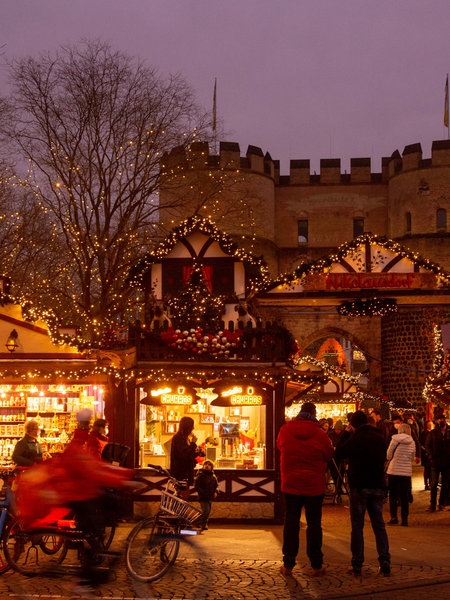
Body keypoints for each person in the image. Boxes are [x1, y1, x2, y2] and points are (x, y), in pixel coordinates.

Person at [276, 401, 334, 577]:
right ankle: (316, 564)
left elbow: (279, 447)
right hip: (313, 485)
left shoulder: (285, 430)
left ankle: (288, 564)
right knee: (314, 524)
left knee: (291, 523)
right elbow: (329, 454)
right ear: (314, 414)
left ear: (300, 413)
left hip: (291, 483)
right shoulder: (320, 434)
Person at [335, 410, 391, 576]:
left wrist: (346, 433)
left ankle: (357, 562)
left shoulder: (355, 439)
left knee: (357, 526)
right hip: (377, 485)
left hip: (359, 486)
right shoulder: (379, 438)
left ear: (353, 424)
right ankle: (385, 560)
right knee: (379, 525)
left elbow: (338, 452)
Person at [386, 423, 417, 526]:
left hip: (394, 470)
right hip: (406, 472)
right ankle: (404, 519)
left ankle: (394, 517)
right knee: (404, 497)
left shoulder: (394, 439)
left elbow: (389, 454)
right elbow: (412, 457)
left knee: (393, 495)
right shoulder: (412, 442)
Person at [170, 416, 200, 500]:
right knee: (182, 497)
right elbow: (184, 455)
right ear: (188, 427)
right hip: (181, 473)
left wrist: (197, 453)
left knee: (184, 495)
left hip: (185, 473)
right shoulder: (178, 438)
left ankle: (179, 512)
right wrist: (193, 443)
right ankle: (179, 513)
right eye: (192, 426)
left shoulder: (185, 438)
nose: (193, 428)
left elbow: (188, 455)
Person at [425, 413, 450, 512]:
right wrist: (431, 456)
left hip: (448, 462)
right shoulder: (433, 433)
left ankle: (442, 503)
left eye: (442, 419)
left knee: (445, 484)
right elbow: (427, 446)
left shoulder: (449, 431)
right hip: (436, 462)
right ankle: (432, 504)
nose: (441, 421)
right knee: (434, 483)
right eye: (439, 419)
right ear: (436, 421)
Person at [194, 459, 218, 530]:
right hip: (203, 496)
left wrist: (216, 492)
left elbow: (216, 486)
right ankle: (197, 522)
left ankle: (204, 525)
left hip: (210, 497)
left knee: (207, 512)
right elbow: (197, 486)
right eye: (206, 464)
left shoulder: (213, 476)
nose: (207, 466)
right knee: (206, 510)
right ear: (203, 466)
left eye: (209, 465)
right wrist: (202, 493)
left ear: (212, 467)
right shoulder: (200, 475)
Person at [420, 420, 434, 490]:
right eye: (429, 424)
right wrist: (426, 450)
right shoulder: (424, 433)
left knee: (431, 470)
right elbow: (421, 443)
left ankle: (431, 484)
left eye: (431, 424)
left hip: (431, 453)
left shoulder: (432, 432)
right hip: (426, 454)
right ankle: (426, 484)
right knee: (427, 470)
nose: (431, 425)